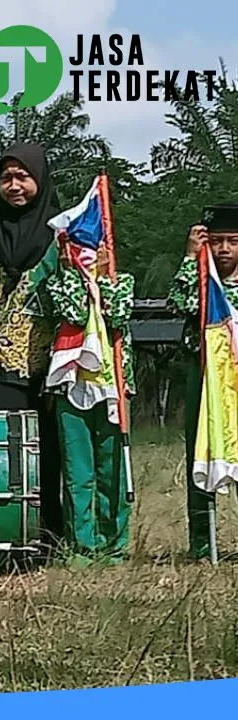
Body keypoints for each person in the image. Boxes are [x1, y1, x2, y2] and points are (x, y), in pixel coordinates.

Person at [0, 143, 63, 538]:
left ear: (39, 181)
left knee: (43, 453)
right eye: (6, 178)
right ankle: (2, 529)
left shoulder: (60, 235)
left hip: (39, 363)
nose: (14, 186)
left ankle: (46, 532)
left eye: (22, 177)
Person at [43, 236, 135, 564]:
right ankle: (83, 545)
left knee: (113, 470)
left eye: (90, 247)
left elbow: (117, 315)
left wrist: (105, 277)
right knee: (77, 470)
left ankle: (114, 544)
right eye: (76, 248)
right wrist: (71, 271)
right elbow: (74, 313)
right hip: (72, 386)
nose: (85, 254)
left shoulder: (121, 282)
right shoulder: (58, 284)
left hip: (112, 387)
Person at [169, 209, 238, 560]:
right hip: (203, 373)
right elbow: (179, 303)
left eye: (233, 242)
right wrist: (190, 259)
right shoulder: (201, 280)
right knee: (201, 452)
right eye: (217, 241)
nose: (224, 249)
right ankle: (202, 542)